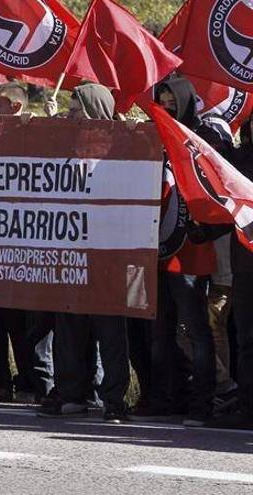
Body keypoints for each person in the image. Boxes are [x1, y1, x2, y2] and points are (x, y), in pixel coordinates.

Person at [129, 75, 221, 427]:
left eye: (171, 100)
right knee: (160, 331)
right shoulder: (150, 136)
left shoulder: (203, 140)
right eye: (161, 99)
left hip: (191, 251)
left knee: (197, 331)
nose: (165, 105)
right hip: (156, 249)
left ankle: (202, 403)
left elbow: (217, 190)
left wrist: (207, 229)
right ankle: (167, 397)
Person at [37, 84, 130, 423]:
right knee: (69, 326)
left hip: (107, 257)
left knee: (109, 332)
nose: (71, 115)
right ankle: (72, 392)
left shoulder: (121, 148)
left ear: (94, 111)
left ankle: (114, 400)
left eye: (77, 110)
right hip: (72, 254)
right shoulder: (68, 145)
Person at [0, 82, 52, 403]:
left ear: (17, 107)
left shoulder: (39, 136)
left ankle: (31, 384)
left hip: (22, 249)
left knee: (21, 322)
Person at [208, 116, 253, 430]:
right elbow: (225, 201)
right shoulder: (239, 160)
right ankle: (248, 406)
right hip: (246, 265)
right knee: (247, 338)